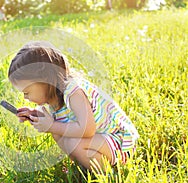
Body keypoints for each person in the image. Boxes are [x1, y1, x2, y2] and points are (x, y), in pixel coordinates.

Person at [8, 41, 139, 172]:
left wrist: (51, 125)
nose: (26, 97)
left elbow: (87, 130)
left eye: (27, 92)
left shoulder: (73, 92)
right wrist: (35, 116)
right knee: (58, 132)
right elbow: (66, 123)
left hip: (120, 142)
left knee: (70, 140)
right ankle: (84, 164)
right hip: (102, 142)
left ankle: (105, 176)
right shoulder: (53, 97)